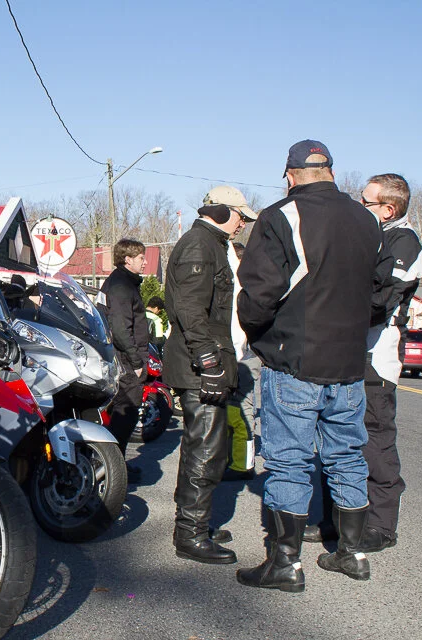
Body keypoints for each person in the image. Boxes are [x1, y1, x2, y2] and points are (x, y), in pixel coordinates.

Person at [235, 140, 393, 592]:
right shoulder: (366, 219)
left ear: (290, 175)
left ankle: (285, 562)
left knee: (289, 460)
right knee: (347, 456)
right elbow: (381, 290)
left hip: (295, 358)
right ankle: (352, 553)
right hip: (349, 361)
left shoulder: (282, 215)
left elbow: (259, 294)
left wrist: (259, 334)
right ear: (332, 172)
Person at [304, 174, 422, 552]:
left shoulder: (404, 242)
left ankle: (380, 526)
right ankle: (337, 520)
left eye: (366, 201)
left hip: (376, 358)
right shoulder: (369, 237)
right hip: (345, 352)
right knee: (335, 439)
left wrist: (334, 305)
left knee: (374, 441)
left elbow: (381, 300)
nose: (358, 205)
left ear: (388, 210)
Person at [163, 185, 254, 564]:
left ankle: (195, 524)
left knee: (207, 447)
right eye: (240, 216)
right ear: (220, 211)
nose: (242, 224)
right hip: (200, 365)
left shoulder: (213, 244)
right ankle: (190, 534)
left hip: (208, 361)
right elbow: (189, 308)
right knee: (205, 449)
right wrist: (209, 360)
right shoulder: (200, 245)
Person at [98, 238, 150, 483]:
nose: (145, 262)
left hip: (123, 357)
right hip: (126, 360)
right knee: (125, 414)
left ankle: (116, 466)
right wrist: (136, 361)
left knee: (121, 415)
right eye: (141, 258)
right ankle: (114, 471)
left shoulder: (123, 283)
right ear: (127, 259)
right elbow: (120, 328)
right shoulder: (120, 285)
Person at [225, 241, 259, 482]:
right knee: (233, 410)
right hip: (240, 353)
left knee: (242, 411)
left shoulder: (245, 285)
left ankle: (243, 465)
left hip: (245, 355)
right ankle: (235, 459)